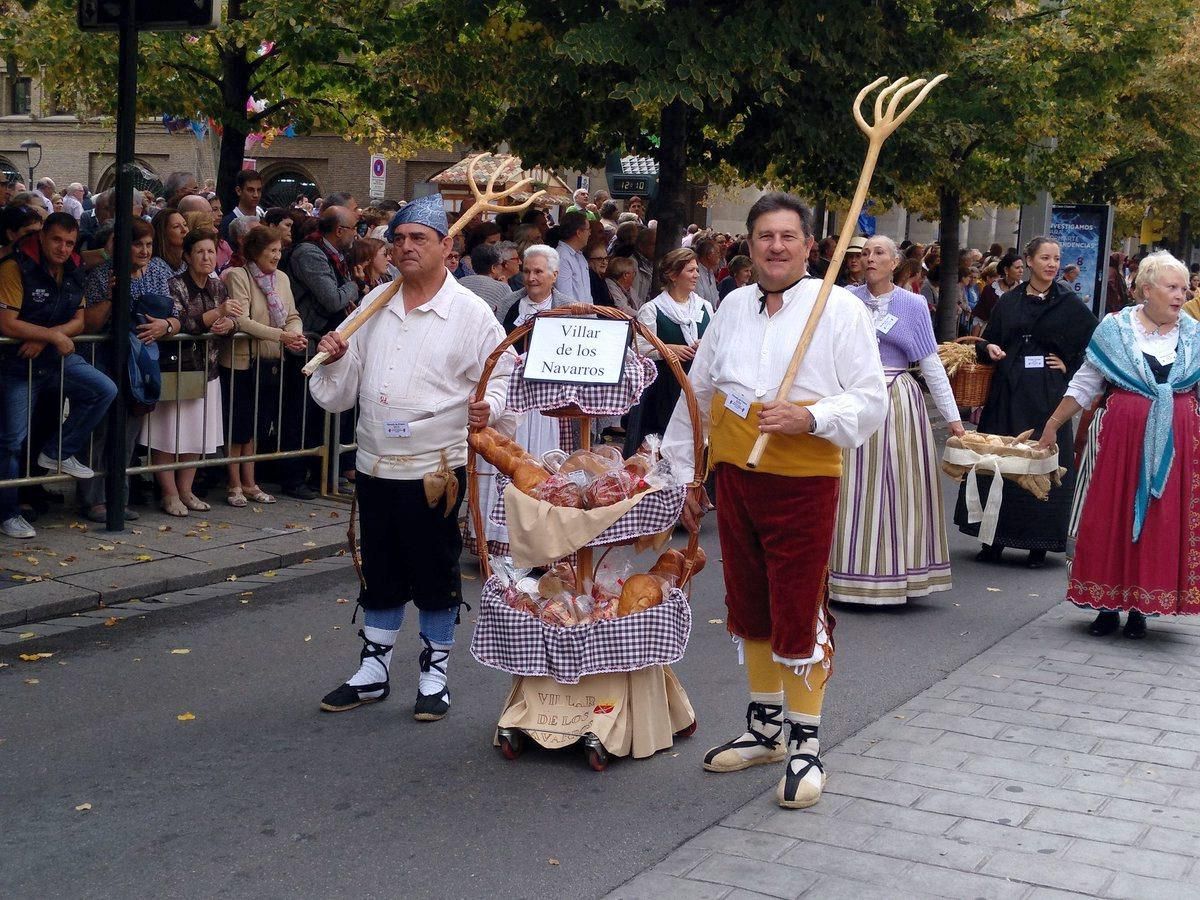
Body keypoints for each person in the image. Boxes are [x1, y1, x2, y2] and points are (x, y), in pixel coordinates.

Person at [661, 192, 887, 809]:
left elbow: (872, 399)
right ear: (750, 244)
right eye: (765, 236)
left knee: (797, 605)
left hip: (804, 477)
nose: (777, 246)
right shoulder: (731, 307)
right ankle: (765, 729)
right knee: (750, 602)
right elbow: (699, 394)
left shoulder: (836, 309)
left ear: (809, 246)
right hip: (736, 475)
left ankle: (806, 742)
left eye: (788, 236)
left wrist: (811, 416)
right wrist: (687, 472)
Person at [309, 194, 513, 721]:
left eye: (418, 238)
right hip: (376, 461)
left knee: (435, 568)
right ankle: (373, 670)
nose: (405, 247)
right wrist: (333, 359)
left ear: (447, 247)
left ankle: (434, 672)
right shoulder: (372, 305)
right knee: (379, 567)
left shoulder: (470, 314)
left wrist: (488, 407)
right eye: (397, 239)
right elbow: (338, 393)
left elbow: (504, 373)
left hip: (435, 469)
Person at [1039, 251, 1199, 639]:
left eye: (1184, 287)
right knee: (1110, 515)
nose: (1183, 294)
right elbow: (1085, 383)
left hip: (1176, 445)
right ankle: (1107, 605)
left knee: (1159, 521)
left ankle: (1141, 607)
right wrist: (1052, 425)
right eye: (1172, 287)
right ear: (1147, 289)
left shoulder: (1193, 333)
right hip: (1116, 439)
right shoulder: (1115, 329)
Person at [830, 235, 963, 606]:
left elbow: (931, 362)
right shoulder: (844, 299)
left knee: (900, 486)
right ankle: (845, 574)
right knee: (851, 488)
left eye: (879, 253)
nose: (870, 258)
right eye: (866, 253)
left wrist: (953, 419)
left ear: (895, 263)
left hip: (898, 401)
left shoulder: (913, 304)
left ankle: (898, 573)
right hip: (853, 398)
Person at [955, 236, 1097, 567]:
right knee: (999, 459)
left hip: (1046, 394)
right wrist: (987, 349)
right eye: (1045, 257)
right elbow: (988, 340)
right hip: (1007, 390)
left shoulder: (1068, 302)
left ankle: (1040, 542)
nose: (1052, 264)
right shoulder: (1010, 300)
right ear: (1029, 261)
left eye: (1056, 258)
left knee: (1042, 460)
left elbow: (1096, 347)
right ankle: (993, 537)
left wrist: (1068, 367)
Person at [0, 214, 117, 539]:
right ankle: (8, 512)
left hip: (55, 360)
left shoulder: (74, 270)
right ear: (43, 238)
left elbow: (79, 321)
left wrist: (47, 336)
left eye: (69, 242)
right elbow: (7, 323)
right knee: (11, 442)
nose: (63, 248)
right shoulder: (15, 267)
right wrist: (51, 336)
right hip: (17, 368)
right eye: (57, 241)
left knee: (104, 389)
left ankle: (58, 450)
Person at [142, 228, 237, 516]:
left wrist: (228, 325)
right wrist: (215, 316)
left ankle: (186, 489)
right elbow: (184, 322)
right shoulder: (175, 285)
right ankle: (169, 492)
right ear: (187, 256)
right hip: (178, 368)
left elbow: (230, 320)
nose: (206, 257)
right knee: (168, 433)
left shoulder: (218, 286)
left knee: (197, 433)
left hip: (207, 370)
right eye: (199, 251)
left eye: (210, 251)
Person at [219, 225, 307, 507]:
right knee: (238, 425)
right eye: (272, 251)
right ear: (256, 252)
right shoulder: (238, 276)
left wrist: (295, 333)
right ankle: (234, 483)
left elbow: (292, 314)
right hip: (242, 360)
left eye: (279, 250)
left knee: (257, 424)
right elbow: (242, 319)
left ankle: (251, 481)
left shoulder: (281, 278)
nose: (277, 256)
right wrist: (281, 335)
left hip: (271, 359)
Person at [625, 248, 714, 454]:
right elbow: (638, 350)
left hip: (696, 384)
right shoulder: (653, 309)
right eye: (690, 270)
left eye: (697, 270)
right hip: (665, 390)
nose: (696, 275)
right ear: (673, 275)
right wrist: (667, 349)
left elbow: (716, 342)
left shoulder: (705, 307)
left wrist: (705, 344)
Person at [290, 206, 358, 337]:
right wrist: (354, 285)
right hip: (310, 341)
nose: (355, 233)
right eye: (353, 228)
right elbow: (334, 300)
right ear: (339, 231)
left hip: (329, 335)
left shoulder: (339, 256)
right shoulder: (310, 254)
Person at [972, 251, 1023, 335]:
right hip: (993, 335)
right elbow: (980, 317)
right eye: (1017, 268)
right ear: (1006, 270)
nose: (1021, 271)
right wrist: (972, 342)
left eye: (1022, 267)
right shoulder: (990, 290)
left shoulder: (1025, 290)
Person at [458, 243, 513, 318]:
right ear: (493, 268)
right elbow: (509, 315)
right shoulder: (503, 288)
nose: (502, 268)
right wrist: (505, 285)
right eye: (500, 264)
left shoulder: (460, 282)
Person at [553, 210, 591, 303]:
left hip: (587, 315)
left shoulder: (580, 255)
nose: (589, 233)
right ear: (578, 232)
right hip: (572, 316)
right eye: (588, 230)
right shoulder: (561, 257)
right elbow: (565, 298)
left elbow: (587, 295)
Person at [219, 170, 265, 240]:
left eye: (259, 190)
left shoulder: (264, 222)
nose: (256, 195)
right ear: (239, 191)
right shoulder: (226, 224)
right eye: (250, 190)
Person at [152, 208, 189, 277]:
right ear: (163, 233)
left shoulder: (185, 263)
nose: (184, 230)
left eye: (185, 225)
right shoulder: (156, 267)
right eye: (176, 226)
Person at [631, 226, 656, 307]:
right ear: (641, 246)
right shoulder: (632, 264)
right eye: (653, 244)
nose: (657, 247)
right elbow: (633, 299)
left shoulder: (652, 263)